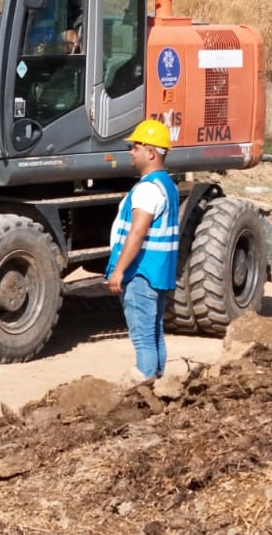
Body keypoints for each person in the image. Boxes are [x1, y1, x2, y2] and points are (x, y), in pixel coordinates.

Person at [104, 120, 180, 383]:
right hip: (158, 272)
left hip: (141, 273)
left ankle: (144, 383)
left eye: (135, 147)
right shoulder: (166, 185)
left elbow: (136, 233)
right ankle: (159, 383)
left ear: (151, 153)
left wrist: (119, 270)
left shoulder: (147, 189)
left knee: (143, 336)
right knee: (155, 331)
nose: (131, 152)